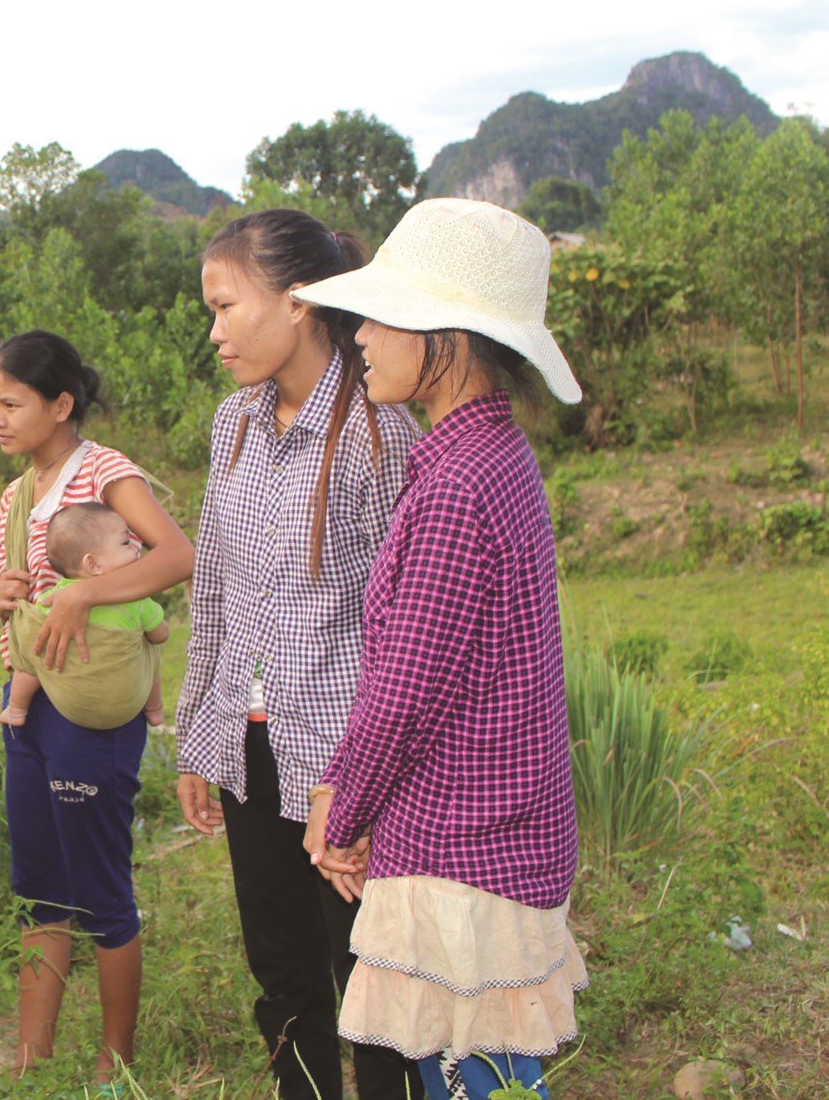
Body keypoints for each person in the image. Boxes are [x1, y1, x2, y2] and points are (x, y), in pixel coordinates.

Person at [295, 199, 589, 1100]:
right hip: (495, 830)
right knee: (489, 1074)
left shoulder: (457, 485)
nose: (361, 339)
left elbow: (407, 690)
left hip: (466, 850)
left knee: (478, 1077)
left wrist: (338, 815)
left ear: (449, 336)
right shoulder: (489, 457)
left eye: (384, 318)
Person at [174, 209, 425, 1100]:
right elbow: (216, 596)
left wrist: (360, 782)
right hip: (250, 747)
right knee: (281, 972)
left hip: (344, 760)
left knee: (372, 976)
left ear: (296, 302)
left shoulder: (379, 433)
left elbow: (403, 627)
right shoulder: (234, 425)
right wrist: (199, 734)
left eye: (225, 306)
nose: (214, 332)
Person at [0, 330, 195, 1085]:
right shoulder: (15, 496)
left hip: (94, 712)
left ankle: (116, 1058)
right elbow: (13, 589)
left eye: (13, 403)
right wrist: (7, 594)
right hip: (31, 705)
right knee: (39, 883)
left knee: (101, 886)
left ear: (61, 403)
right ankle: (31, 1053)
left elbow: (175, 555)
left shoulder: (101, 471)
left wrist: (82, 591)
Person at [0, 500, 170, 729]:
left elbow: (33, 634)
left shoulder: (53, 598)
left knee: (33, 654)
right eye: (126, 543)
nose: (135, 550)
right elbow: (160, 636)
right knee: (151, 652)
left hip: (66, 700)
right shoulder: (134, 599)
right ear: (93, 563)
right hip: (121, 706)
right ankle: (154, 708)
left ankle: (17, 709)